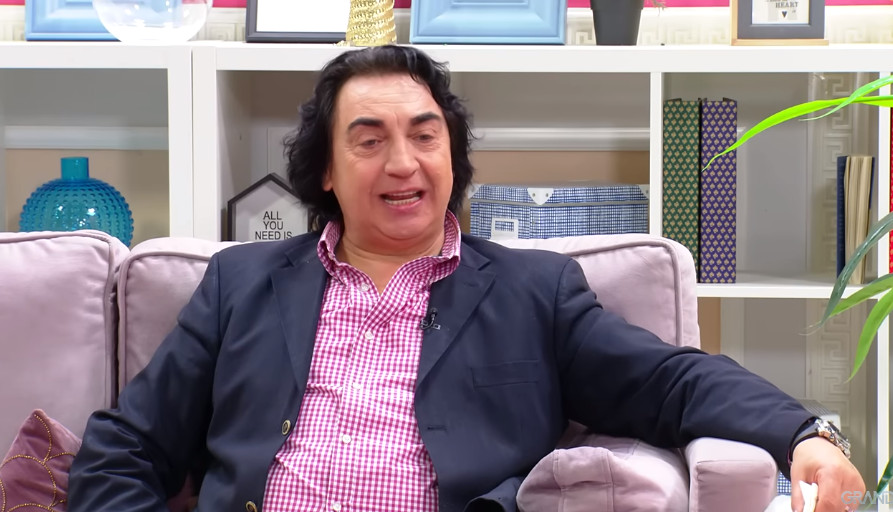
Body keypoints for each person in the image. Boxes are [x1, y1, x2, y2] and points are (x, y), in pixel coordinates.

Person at [69, 45, 865, 512]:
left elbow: (670, 382)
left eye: (425, 136)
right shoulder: (240, 282)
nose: (403, 163)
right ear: (326, 172)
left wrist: (804, 436)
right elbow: (126, 446)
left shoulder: (533, 291)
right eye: (369, 141)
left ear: (451, 158)